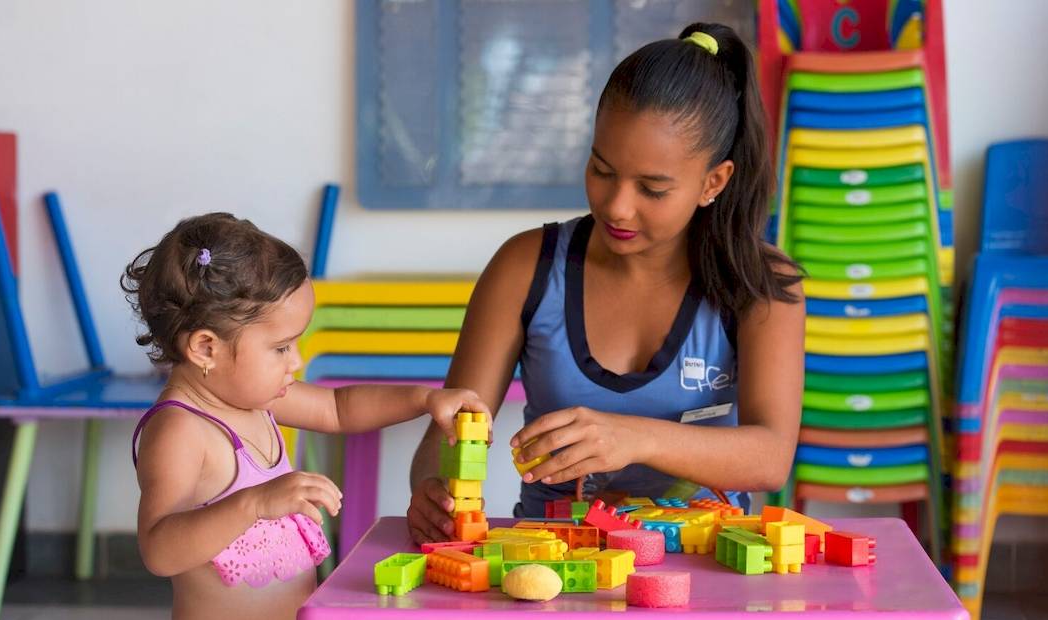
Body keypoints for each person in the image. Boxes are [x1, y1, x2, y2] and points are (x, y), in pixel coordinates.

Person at [407, 22, 803, 543]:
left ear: (714, 182)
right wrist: (432, 492)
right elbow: (448, 434)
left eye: (652, 188)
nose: (617, 206)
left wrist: (630, 437)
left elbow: (771, 457)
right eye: (602, 169)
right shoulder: (525, 267)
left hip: (706, 562)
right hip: (553, 563)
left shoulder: (760, 284)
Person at [123, 213, 488, 619]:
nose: (296, 360)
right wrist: (255, 504)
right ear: (206, 348)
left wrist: (425, 399)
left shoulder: (256, 398)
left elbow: (339, 408)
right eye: (281, 347)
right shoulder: (181, 429)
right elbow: (159, 550)